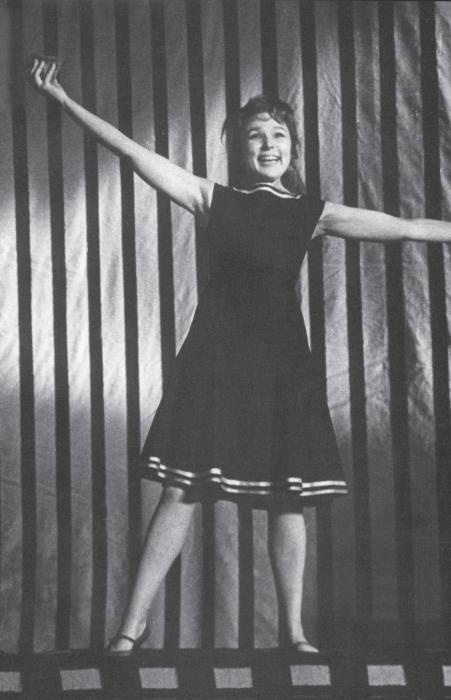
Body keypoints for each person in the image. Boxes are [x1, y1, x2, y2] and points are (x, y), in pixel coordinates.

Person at [29, 56, 451, 656]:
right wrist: (64, 101)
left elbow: (406, 227)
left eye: (278, 134)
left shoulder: (313, 213)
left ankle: (294, 633)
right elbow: (130, 152)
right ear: (238, 149)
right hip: (216, 362)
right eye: (256, 135)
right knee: (181, 490)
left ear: (293, 149)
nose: (268, 144)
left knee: (288, 495)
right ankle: (130, 627)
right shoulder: (211, 198)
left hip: (282, 367)